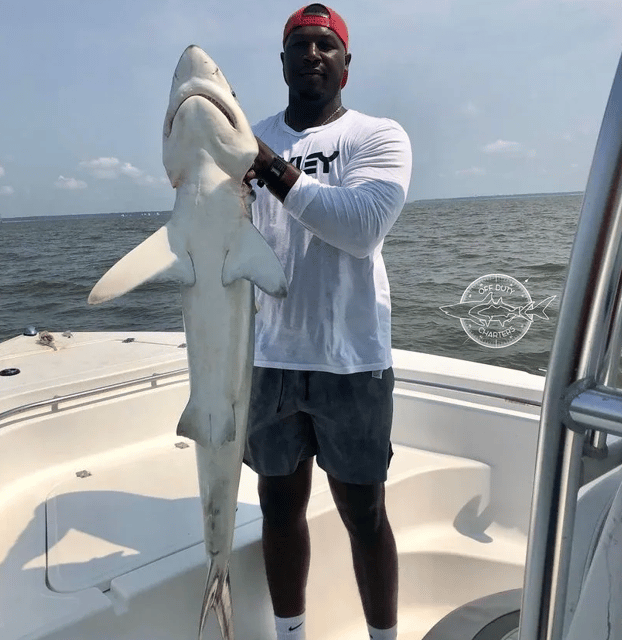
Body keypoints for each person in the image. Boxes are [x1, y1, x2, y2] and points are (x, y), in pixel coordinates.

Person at [243, 5, 412, 640]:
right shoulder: (249, 140)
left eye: (325, 45)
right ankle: (291, 634)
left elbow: (361, 228)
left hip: (352, 360)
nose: (312, 54)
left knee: (364, 512)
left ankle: (383, 636)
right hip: (270, 357)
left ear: (346, 62)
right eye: (299, 45)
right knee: (277, 508)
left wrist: (270, 168)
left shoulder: (378, 136)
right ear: (281, 61)